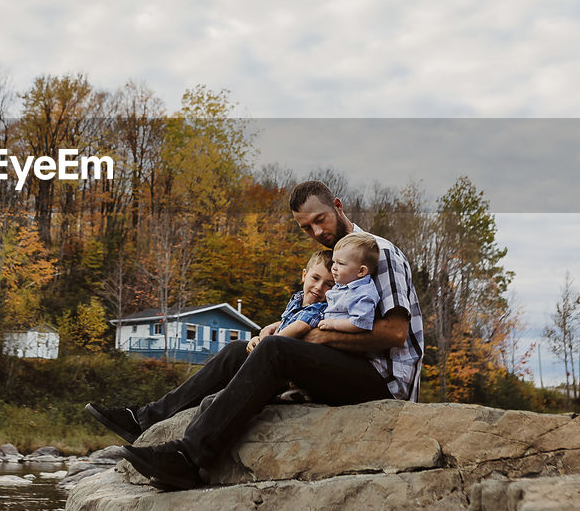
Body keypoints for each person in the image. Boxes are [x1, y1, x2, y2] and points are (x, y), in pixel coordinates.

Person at [85, 180, 424, 490]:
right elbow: (324, 315)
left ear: (337, 206)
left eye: (321, 220)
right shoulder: (338, 262)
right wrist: (287, 326)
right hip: (346, 365)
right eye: (307, 228)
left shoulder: (379, 253)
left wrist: (314, 338)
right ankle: (145, 419)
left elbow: (395, 333)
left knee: (277, 351)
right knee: (239, 350)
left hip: (384, 382)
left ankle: (189, 457)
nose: (317, 232)